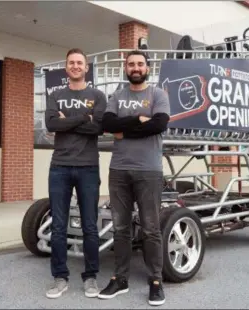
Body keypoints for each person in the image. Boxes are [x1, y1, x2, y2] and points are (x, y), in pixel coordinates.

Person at [98, 50, 170, 306]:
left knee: (151, 229)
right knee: (120, 228)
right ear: (125, 68)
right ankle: (120, 279)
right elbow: (106, 124)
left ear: (147, 67)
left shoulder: (158, 94)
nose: (136, 67)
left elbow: (159, 124)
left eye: (140, 64)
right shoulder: (117, 95)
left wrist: (124, 129)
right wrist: (137, 120)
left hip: (149, 171)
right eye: (131, 64)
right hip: (118, 170)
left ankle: (155, 281)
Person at [44, 48, 107, 299]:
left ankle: (91, 277)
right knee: (58, 226)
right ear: (66, 67)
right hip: (59, 166)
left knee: (90, 225)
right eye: (72, 62)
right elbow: (51, 124)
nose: (76, 66)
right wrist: (84, 117)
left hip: (88, 167)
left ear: (86, 67)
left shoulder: (98, 95)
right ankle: (60, 277)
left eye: (80, 62)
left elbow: (98, 128)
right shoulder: (56, 94)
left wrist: (67, 119)